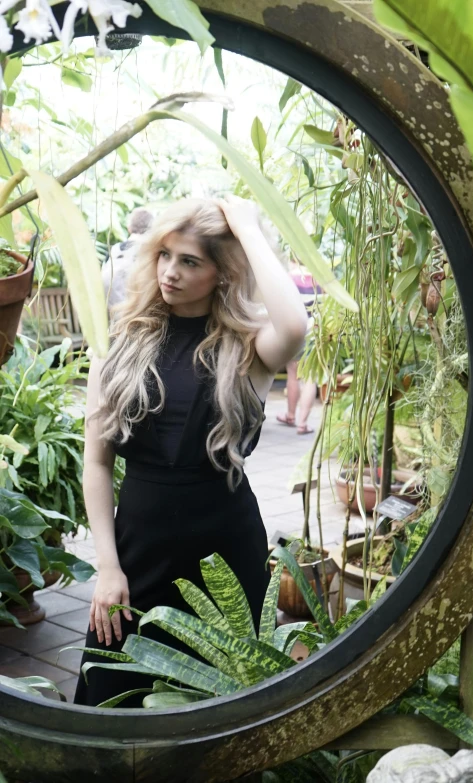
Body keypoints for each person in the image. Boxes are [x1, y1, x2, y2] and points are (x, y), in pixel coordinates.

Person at [73, 196, 308, 707]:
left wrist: (246, 226)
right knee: (112, 697)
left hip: (224, 552)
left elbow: (294, 326)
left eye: (189, 261)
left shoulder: (245, 347)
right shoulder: (119, 339)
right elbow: (97, 463)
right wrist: (108, 568)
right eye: (164, 255)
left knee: (222, 709)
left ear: (222, 273)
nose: (170, 272)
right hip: (138, 551)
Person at [276, 261, 319, 435]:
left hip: (295, 332)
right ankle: (302, 423)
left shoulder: (289, 278)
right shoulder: (320, 278)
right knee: (310, 377)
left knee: (293, 375)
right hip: (315, 332)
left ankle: (291, 415)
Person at [101, 207, 153, 309]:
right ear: (151, 229)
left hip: (112, 311)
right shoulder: (150, 251)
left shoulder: (114, 250)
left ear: (129, 228)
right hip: (138, 311)